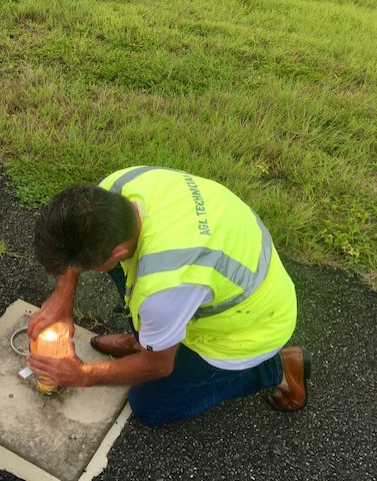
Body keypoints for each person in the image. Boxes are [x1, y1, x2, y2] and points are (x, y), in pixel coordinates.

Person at [27, 166, 310, 426]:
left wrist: (82, 375)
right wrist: (63, 298)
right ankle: (151, 339)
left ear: (118, 253)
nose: (76, 271)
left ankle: (276, 368)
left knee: (150, 407)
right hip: (225, 276)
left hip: (251, 328)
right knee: (136, 294)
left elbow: (160, 366)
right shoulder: (114, 189)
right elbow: (78, 243)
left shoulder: (163, 286)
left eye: (78, 267)